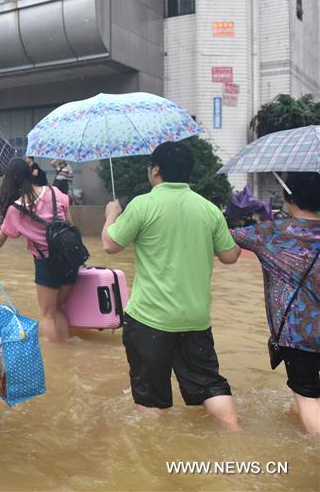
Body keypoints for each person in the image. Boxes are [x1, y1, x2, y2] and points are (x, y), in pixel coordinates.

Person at [101, 141, 241, 430]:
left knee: (151, 400)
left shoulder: (143, 204)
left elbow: (110, 244)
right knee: (210, 386)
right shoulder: (209, 209)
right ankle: (233, 432)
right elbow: (230, 256)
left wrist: (111, 214)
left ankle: (156, 463)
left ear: (156, 171)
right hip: (196, 319)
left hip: (150, 320)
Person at [230, 172, 320, 434]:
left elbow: (224, 239)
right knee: (306, 397)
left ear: (288, 197)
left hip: (298, 336)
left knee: (307, 396)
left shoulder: (270, 234)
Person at [0, 159, 76, 342]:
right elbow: (70, 224)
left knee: (48, 315)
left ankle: (57, 360)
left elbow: (0, 239)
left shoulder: (16, 208)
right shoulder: (55, 192)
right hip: (71, 258)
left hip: (46, 262)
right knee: (59, 309)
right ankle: (67, 351)